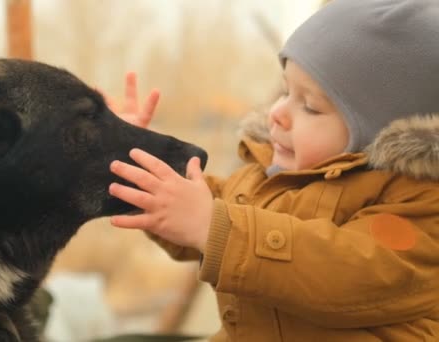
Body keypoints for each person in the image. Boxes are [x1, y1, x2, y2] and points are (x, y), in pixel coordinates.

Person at [104, 0, 439, 340]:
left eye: (309, 106)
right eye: (285, 91)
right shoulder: (268, 176)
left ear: (380, 133)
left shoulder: (418, 204)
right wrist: (134, 155)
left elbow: (349, 271)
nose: (277, 113)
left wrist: (213, 226)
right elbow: (201, 207)